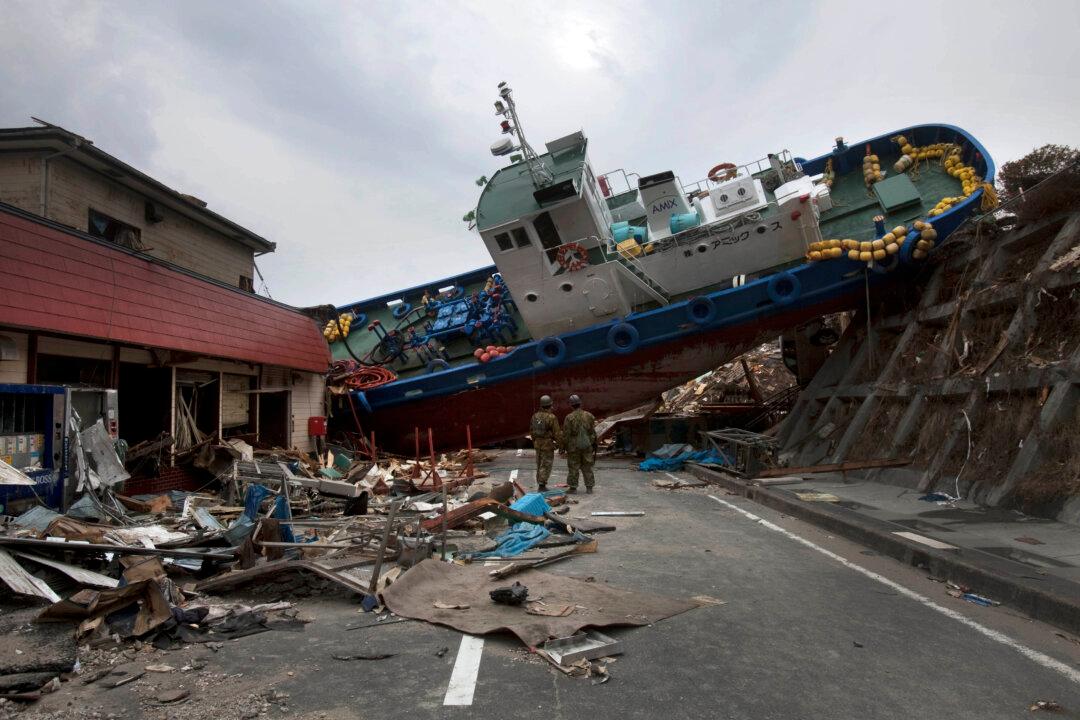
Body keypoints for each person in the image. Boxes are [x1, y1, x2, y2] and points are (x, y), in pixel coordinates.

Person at [562, 394, 597, 494]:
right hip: (587, 444)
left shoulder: (569, 417)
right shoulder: (589, 415)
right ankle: (589, 487)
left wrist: (563, 447)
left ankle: (573, 488)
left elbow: (566, 434)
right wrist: (592, 443)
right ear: (580, 403)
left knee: (573, 466)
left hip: (574, 446)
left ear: (571, 405)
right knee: (587, 466)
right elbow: (592, 432)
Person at [529, 395, 561, 490]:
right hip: (547, 444)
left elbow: (531, 430)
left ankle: (540, 482)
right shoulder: (552, 417)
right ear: (550, 405)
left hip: (538, 443)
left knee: (539, 464)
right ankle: (542, 484)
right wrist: (560, 445)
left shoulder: (534, 416)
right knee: (546, 464)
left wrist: (535, 441)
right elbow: (557, 433)